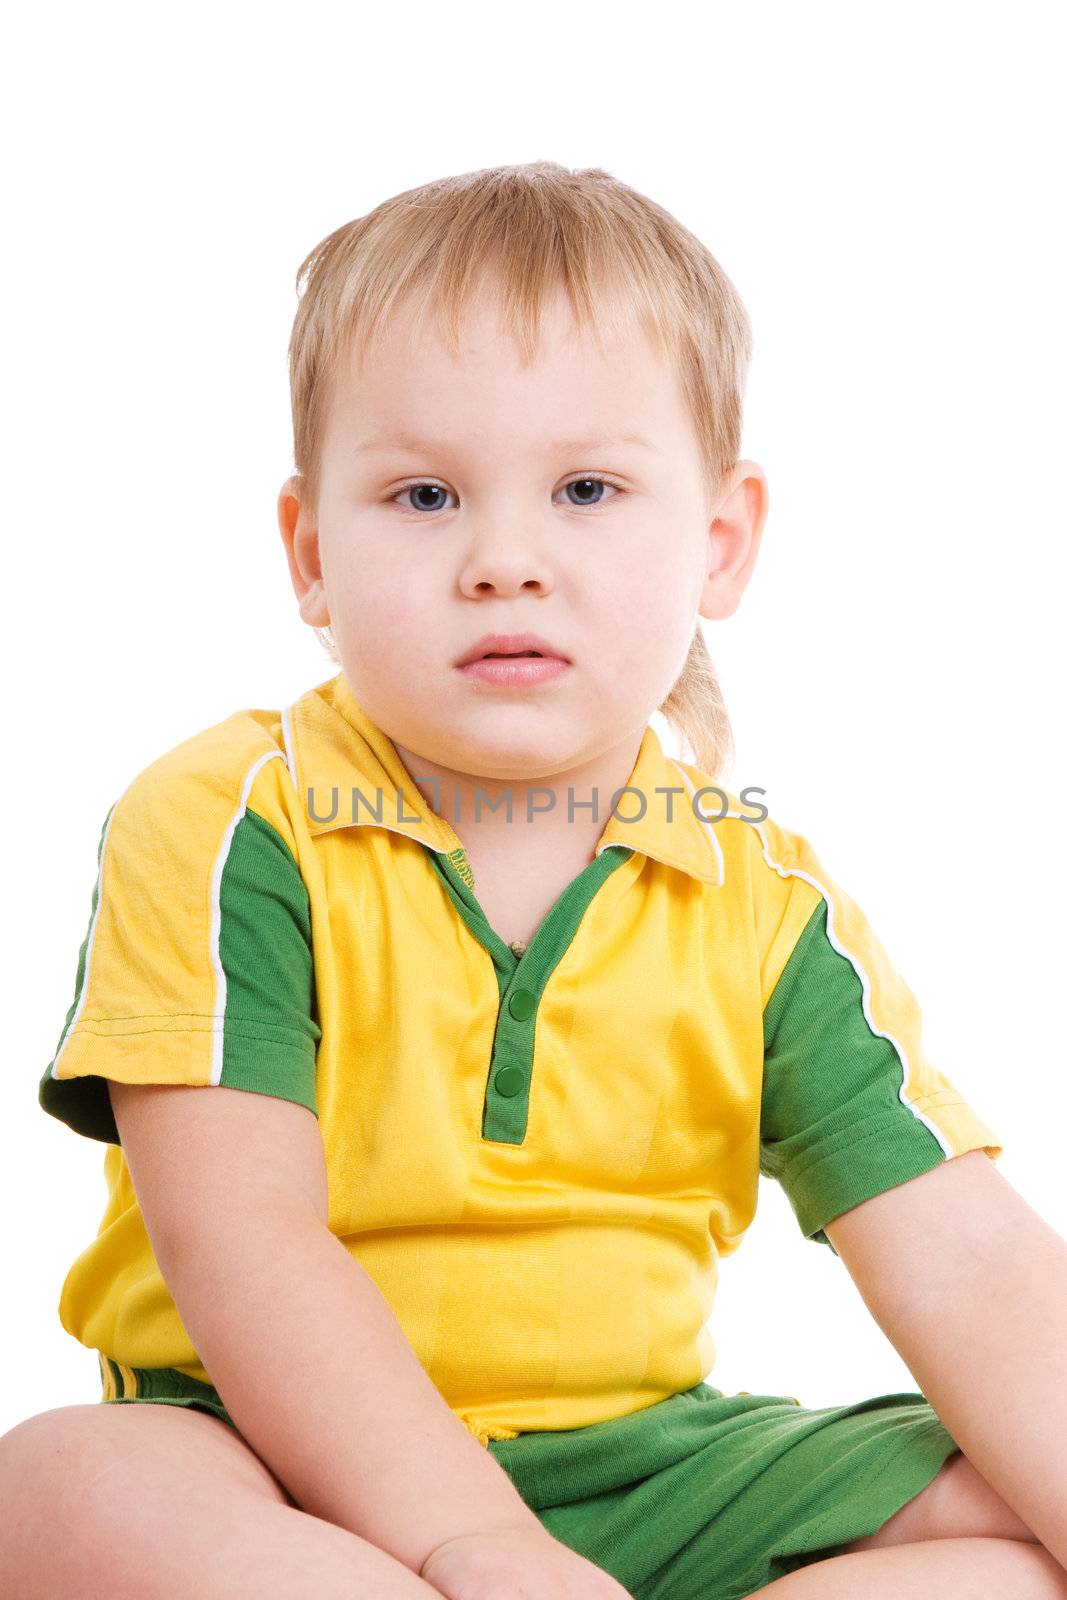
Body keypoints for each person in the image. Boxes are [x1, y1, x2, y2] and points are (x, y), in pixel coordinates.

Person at [3, 161, 1065, 1600]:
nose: (505, 560)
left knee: (1009, 1526)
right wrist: (477, 1545)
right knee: (68, 1488)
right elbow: (239, 1239)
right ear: (314, 552)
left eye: (587, 488)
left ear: (717, 542)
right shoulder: (228, 820)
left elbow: (968, 1268)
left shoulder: (761, 898)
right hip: (270, 1458)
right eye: (426, 493)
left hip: (644, 1467)